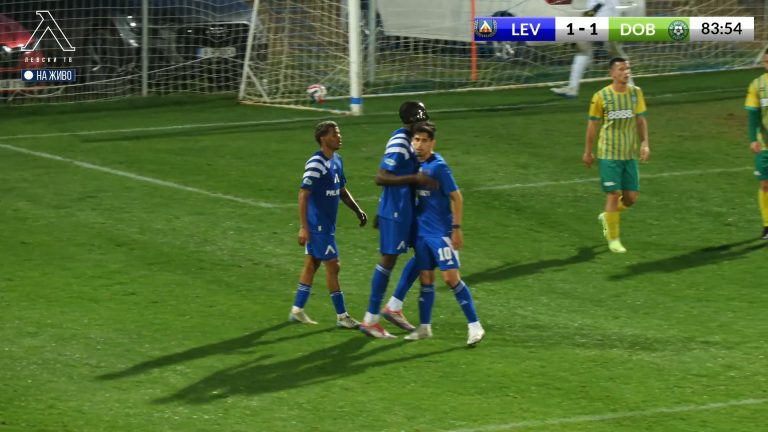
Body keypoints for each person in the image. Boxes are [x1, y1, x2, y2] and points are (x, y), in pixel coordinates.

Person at [360, 101, 439, 339]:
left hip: (408, 209)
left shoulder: (412, 140)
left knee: (427, 251)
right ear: (412, 121)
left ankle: (394, 306)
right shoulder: (399, 142)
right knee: (388, 260)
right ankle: (370, 320)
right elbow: (381, 177)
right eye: (421, 119)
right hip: (396, 211)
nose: (424, 123)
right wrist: (415, 178)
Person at [403, 121, 485, 346]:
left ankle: (475, 326)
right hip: (422, 232)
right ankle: (424, 327)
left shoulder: (438, 166)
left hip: (441, 232)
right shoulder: (413, 165)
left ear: (433, 143)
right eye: (416, 140)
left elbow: (457, 198)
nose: (419, 145)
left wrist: (456, 229)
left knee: (450, 279)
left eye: (424, 141)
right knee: (426, 278)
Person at [289, 121, 367, 328]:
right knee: (333, 265)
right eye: (334, 134)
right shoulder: (316, 163)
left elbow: (341, 190)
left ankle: (297, 310)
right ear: (323, 138)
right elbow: (303, 194)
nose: (339, 137)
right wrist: (304, 227)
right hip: (318, 226)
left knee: (312, 264)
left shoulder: (337, 160)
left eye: (339, 133)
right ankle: (342, 316)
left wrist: (357, 210)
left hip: (326, 225)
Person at [583, 57, 649, 253]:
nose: (626, 72)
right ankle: (613, 239)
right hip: (609, 153)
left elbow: (640, 120)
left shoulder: (636, 93)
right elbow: (592, 125)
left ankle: (608, 216)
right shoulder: (601, 96)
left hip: (629, 154)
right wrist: (588, 151)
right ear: (611, 73)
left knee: (630, 199)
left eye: (627, 69)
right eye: (621, 69)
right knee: (613, 194)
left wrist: (645, 143)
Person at [551, 0, 633, 98]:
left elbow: (602, 2)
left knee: (614, 55)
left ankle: (631, 89)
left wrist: (592, 11)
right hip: (603, 17)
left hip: (605, 18)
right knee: (584, 50)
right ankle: (572, 88)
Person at [743, 48, 768, 240]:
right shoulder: (758, 84)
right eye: (766, 62)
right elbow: (753, 114)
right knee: (765, 184)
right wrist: (752, 138)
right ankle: (767, 225)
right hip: (765, 144)